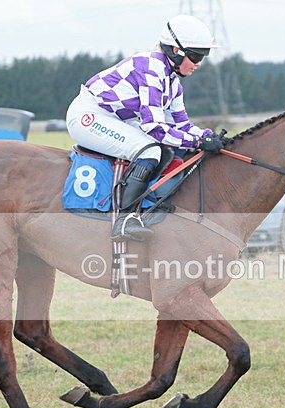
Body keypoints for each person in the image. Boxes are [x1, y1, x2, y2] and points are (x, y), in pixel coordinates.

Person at [66, 14, 225, 242]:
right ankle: (124, 220)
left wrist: (207, 136)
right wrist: (198, 142)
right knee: (150, 150)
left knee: (168, 150)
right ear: (174, 51)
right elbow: (156, 129)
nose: (199, 63)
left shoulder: (173, 83)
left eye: (204, 56)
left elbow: (182, 125)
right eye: (196, 56)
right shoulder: (152, 69)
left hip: (116, 118)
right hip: (89, 115)